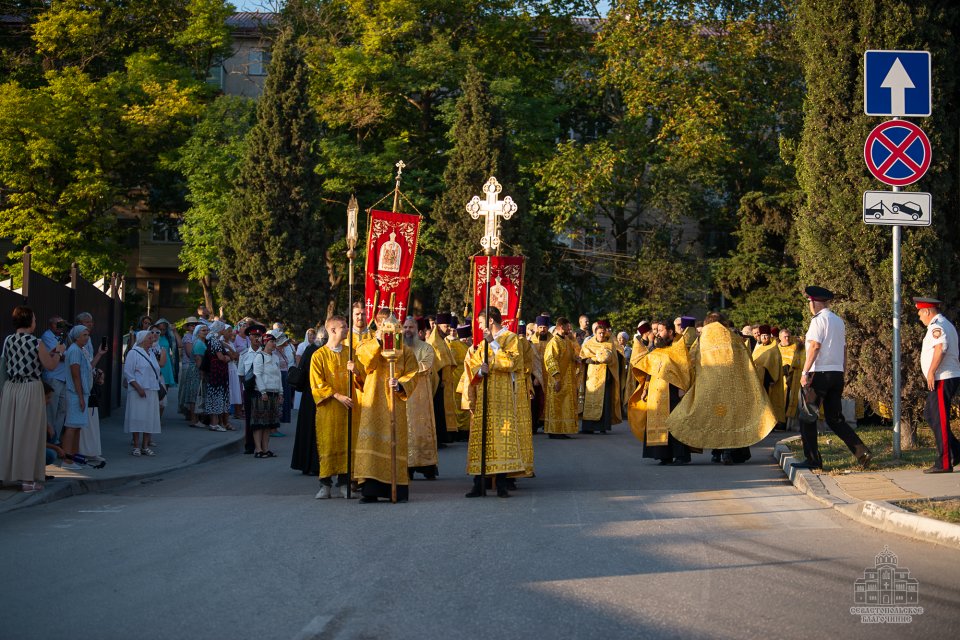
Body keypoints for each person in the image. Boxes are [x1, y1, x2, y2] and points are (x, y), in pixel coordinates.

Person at [665, 313, 778, 461]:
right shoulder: (735, 339)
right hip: (732, 389)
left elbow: (691, 362)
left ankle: (717, 453)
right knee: (731, 420)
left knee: (714, 420)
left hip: (708, 388)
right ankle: (728, 452)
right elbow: (747, 363)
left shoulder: (702, 341)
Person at [791, 286, 872, 470]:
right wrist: (842, 370)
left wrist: (805, 373)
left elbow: (815, 346)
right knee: (835, 419)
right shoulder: (838, 321)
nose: (809, 306)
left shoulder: (818, 321)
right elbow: (843, 349)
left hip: (818, 373)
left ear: (814, 302)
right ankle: (862, 452)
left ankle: (813, 460)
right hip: (836, 373)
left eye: (809, 302)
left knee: (807, 417)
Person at [354, 310, 419, 503]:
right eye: (382, 323)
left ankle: (396, 488)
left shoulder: (404, 350)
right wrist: (379, 342)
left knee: (394, 442)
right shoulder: (367, 344)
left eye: (391, 323)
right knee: (371, 441)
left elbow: (412, 373)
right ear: (376, 323)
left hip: (394, 402)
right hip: (372, 402)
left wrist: (400, 384)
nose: (387, 326)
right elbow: (365, 362)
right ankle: (370, 490)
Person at [1, 306, 65, 492]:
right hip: (30, 388)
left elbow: (4, 365)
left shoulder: (8, 340)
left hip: (11, 388)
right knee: (29, 434)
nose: (35, 323)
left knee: (9, 433)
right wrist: (59, 352)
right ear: (29, 321)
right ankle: (27, 480)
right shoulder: (36, 342)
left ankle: (5, 474)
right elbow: (50, 366)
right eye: (34, 319)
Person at [465, 307, 525, 498]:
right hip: (484, 394)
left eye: (481, 322)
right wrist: (481, 371)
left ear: (490, 321)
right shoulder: (482, 343)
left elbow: (512, 363)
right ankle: (479, 484)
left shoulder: (511, 338)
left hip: (503, 397)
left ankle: (501, 484)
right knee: (481, 437)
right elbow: (474, 364)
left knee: (501, 438)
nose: (479, 326)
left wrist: (494, 344)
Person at [311, 315, 364, 498]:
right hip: (329, 409)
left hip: (349, 408)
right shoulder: (318, 356)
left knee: (347, 443)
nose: (347, 330)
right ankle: (325, 485)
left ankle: (345, 483)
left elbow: (363, 379)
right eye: (344, 327)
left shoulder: (351, 352)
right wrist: (338, 395)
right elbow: (317, 383)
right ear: (332, 330)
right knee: (328, 444)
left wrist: (356, 371)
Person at [630, 322, 693, 465]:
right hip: (655, 391)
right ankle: (664, 455)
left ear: (670, 332)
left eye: (660, 330)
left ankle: (681, 456)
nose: (657, 333)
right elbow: (649, 371)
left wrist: (683, 388)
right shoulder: (656, 349)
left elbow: (685, 369)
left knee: (675, 422)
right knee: (659, 422)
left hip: (672, 391)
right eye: (656, 330)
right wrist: (645, 388)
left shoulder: (679, 348)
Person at [914, 297, 960, 473]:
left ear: (927, 311)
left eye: (920, 313)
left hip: (942, 378)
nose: (919, 317)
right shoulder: (942, 323)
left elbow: (942, 347)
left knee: (939, 419)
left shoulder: (936, 326)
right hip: (944, 377)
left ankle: (944, 462)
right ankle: (956, 450)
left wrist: (932, 372)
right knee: (931, 415)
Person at [403, 316, 439, 480]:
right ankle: (406, 466)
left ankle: (427, 466)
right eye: (405, 327)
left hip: (420, 396)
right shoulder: (398, 348)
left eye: (410, 328)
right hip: (403, 394)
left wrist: (405, 370)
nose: (407, 331)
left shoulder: (426, 348)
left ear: (417, 331)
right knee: (405, 429)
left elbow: (426, 365)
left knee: (423, 429)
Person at [123, 330, 163, 457]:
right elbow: (128, 373)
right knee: (137, 417)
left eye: (153, 338)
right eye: (150, 338)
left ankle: (145, 446)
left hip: (151, 390)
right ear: (142, 339)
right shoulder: (133, 353)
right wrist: (138, 387)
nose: (152, 340)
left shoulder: (151, 353)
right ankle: (136, 446)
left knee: (149, 418)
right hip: (138, 390)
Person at [62, 325, 97, 470]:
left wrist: (99, 354)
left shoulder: (82, 350)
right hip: (75, 394)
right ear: (76, 337)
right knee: (71, 426)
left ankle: (74, 458)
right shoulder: (74, 351)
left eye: (87, 335)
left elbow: (88, 368)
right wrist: (81, 397)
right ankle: (67, 460)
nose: (87, 337)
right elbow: (76, 375)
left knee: (77, 427)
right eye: (84, 335)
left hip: (81, 393)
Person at [578, 320, 622, 434]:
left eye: (603, 333)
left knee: (604, 401)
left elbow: (614, 361)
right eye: (599, 333)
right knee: (590, 401)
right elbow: (582, 358)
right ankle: (588, 427)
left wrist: (607, 359)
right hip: (591, 377)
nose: (602, 335)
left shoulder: (610, 345)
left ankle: (603, 426)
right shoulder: (589, 344)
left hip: (605, 376)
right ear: (595, 333)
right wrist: (590, 359)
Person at [543, 317, 579, 439]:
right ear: (560, 327)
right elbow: (550, 360)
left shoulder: (567, 341)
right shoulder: (553, 343)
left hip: (568, 380)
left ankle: (562, 429)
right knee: (556, 404)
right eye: (567, 327)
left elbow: (570, 356)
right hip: (557, 379)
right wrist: (557, 378)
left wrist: (576, 359)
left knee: (564, 405)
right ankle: (554, 431)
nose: (569, 329)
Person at [427, 312, 458, 447]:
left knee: (441, 410)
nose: (448, 329)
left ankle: (442, 437)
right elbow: (436, 362)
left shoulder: (442, 341)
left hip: (443, 381)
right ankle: (437, 439)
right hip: (436, 380)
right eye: (445, 326)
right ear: (438, 326)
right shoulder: (434, 341)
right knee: (436, 410)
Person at [251, 332, 283, 458]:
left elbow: (279, 375)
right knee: (259, 422)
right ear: (265, 343)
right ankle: (258, 449)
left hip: (274, 392)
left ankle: (266, 449)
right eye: (272, 341)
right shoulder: (259, 356)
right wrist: (263, 391)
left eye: (275, 342)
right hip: (261, 393)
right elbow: (257, 374)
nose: (274, 344)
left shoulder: (275, 357)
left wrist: (281, 392)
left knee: (269, 423)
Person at [39, 315, 70, 439]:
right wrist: (69, 355)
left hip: (63, 377)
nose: (60, 326)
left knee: (62, 409)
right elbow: (61, 355)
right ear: (51, 325)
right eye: (58, 324)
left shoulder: (63, 336)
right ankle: (49, 439)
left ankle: (55, 439)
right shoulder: (47, 336)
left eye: (62, 324)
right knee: (51, 410)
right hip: (53, 376)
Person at [238, 324, 266, 454]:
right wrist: (248, 386)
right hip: (249, 390)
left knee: (262, 418)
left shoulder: (266, 354)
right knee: (250, 418)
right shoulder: (244, 355)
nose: (256, 338)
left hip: (263, 390)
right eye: (254, 335)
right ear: (249, 337)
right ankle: (249, 445)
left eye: (259, 336)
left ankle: (261, 446)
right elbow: (241, 374)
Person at [202, 321, 232, 432]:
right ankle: (214, 424)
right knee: (216, 396)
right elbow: (220, 357)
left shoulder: (213, 340)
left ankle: (214, 423)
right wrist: (227, 358)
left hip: (216, 372)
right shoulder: (215, 341)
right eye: (223, 328)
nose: (224, 330)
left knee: (215, 396)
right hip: (217, 373)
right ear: (219, 330)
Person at [777, 328, 804, 431]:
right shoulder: (776, 349)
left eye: (789, 336)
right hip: (780, 380)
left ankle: (789, 424)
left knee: (791, 400)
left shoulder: (795, 348)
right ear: (780, 338)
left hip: (793, 379)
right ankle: (780, 422)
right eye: (785, 337)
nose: (787, 338)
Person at [177, 317, 201, 424]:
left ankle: (191, 413)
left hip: (196, 365)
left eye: (195, 325)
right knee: (187, 390)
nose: (193, 326)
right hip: (189, 365)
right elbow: (189, 353)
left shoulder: (197, 337)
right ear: (188, 327)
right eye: (191, 325)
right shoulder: (188, 337)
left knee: (193, 390)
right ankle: (187, 412)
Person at [190, 323, 211, 428]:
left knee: (199, 395)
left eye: (207, 330)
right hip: (197, 371)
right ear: (198, 332)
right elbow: (198, 359)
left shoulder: (204, 342)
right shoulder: (198, 343)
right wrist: (202, 373)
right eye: (203, 330)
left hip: (200, 371)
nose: (206, 332)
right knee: (195, 395)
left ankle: (198, 419)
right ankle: (194, 420)